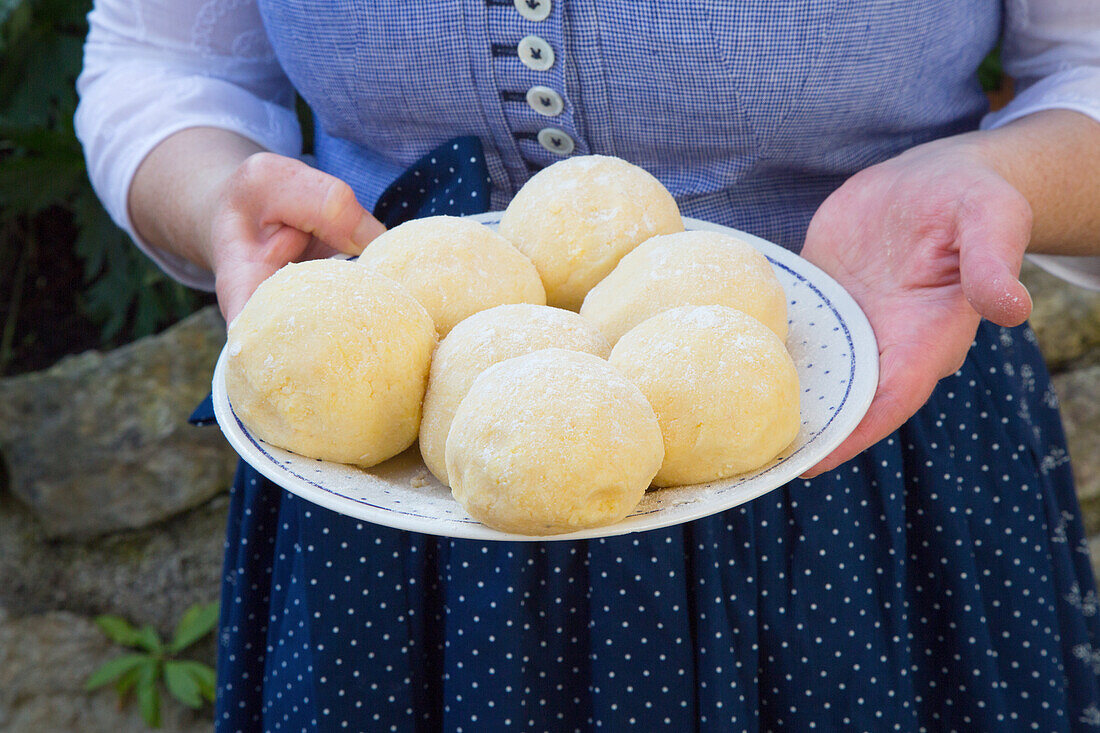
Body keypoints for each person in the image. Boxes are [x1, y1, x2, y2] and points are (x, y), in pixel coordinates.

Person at [76, 1, 1100, 730]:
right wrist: (215, 195)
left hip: (869, 453)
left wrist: (992, 175)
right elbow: (163, 70)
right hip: (396, 506)